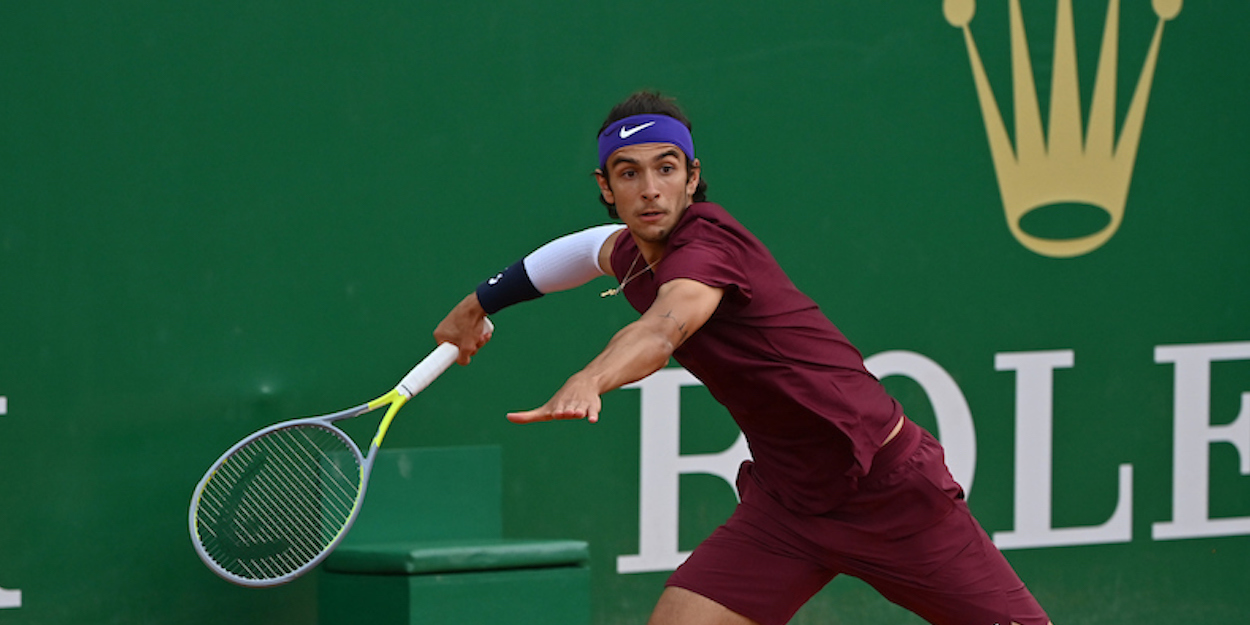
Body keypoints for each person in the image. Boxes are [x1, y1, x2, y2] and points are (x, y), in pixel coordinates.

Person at [434, 91, 1053, 625]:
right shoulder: (631, 250)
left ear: (693, 177)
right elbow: (582, 250)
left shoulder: (709, 246)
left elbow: (664, 328)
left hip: (887, 491)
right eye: (628, 173)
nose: (650, 190)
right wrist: (479, 304)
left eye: (666, 169)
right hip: (788, 505)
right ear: (606, 187)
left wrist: (591, 378)